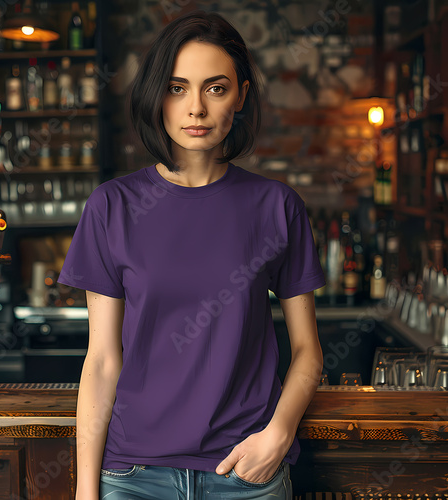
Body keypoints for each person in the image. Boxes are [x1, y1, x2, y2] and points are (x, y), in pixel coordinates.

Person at [58, 9, 326, 500]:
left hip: (246, 474)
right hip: (133, 476)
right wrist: (85, 489)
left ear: (241, 95)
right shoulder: (112, 208)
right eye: (178, 88)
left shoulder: (276, 206)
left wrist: (278, 434)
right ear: (157, 95)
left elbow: (308, 350)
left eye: (216, 88)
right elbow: (100, 362)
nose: (196, 109)